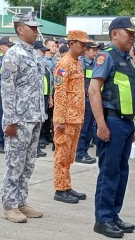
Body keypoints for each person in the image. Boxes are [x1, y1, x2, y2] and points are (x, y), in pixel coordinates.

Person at [89, 16, 135, 238]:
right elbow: (93, 91)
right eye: (128, 33)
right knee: (109, 172)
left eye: (133, 33)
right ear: (114, 34)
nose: (132, 37)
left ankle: (113, 214)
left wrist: (132, 124)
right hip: (111, 121)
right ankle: (103, 219)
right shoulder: (106, 57)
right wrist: (101, 124)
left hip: (126, 123)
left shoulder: (127, 59)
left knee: (121, 171)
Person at [0, 11, 46, 223]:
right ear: (20, 29)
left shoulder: (34, 55)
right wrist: (10, 120)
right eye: (32, 28)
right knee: (14, 163)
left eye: (36, 28)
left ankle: (21, 202)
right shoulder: (13, 54)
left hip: (34, 117)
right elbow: (8, 90)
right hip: (18, 120)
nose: (36, 32)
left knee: (28, 164)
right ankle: (9, 205)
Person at [52, 30, 88, 204]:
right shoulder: (63, 64)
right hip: (65, 119)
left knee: (69, 155)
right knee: (61, 154)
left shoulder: (77, 63)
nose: (84, 47)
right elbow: (59, 94)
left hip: (76, 117)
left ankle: (67, 186)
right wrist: (59, 120)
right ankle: (60, 189)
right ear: (72, 43)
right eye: (82, 44)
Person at [75, 41, 99, 164]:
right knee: (83, 129)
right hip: (84, 101)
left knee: (90, 128)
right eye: (93, 50)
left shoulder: (95, 64)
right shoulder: (81, 63)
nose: (95, 52)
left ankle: (84, 151)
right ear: (86, 50)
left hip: (93, 100)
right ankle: (79, 153)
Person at [0, 36, 14, 154]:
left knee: (7, 118)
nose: (10, 49)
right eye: (8, 47)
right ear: (1, 47)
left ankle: (5, 142)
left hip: (8, 90)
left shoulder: (10, 58)